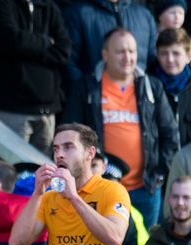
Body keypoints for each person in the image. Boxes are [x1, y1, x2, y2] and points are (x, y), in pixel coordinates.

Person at [62, 27, 179, 230]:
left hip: (145, 190)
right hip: (101, 187)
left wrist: (159, 172)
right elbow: (70, 135)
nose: (128, 57)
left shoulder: (152, 86)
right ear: (105, 54)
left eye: (132, 51)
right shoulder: (87, 87)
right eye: (120, 51)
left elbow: (170, 134)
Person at [0, 0, 71, 152]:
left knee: (41, 172)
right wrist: (47, 42)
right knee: (10, 169)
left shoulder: (49, 7)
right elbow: (10, 40)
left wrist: (28, 46)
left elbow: (64, 50)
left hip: (47, 110)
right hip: (10, 108)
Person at [63, 0, 157, 93]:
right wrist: (87, 94)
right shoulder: (77, 14)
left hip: (139, 101)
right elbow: (69, 61)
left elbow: (154, 62)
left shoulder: (144, 15)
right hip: (95, 102)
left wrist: (147, 95)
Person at [151, 28, 191, 145]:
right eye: (164, 53)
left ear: (188, 56)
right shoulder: (148, 88)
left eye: (176, 53)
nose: (170, 59)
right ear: (157, 55)